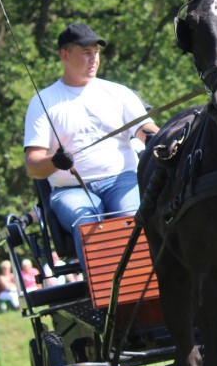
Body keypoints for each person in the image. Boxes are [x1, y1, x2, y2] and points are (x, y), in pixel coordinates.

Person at [23, 23, 159, 270]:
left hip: (123, 180)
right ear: (65, 55)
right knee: (90, 223)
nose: (93, 58)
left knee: (133, 220)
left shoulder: (118, 93)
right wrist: (54, 161)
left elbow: (147, 132)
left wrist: (158, 140)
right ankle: (107, 301)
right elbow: (33, 166)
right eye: (86, 52)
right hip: (70, 190)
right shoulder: (43, 101)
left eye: (95, 52)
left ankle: (148, 292)